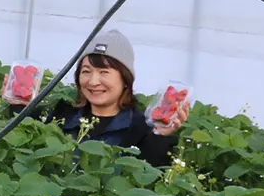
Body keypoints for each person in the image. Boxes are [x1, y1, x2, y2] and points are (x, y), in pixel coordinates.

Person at [10, 29, 188, 166]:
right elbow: (25, 147)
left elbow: (148, 175)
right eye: (86, 72)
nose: (93, 81)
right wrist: (18, 106)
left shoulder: (141, 128)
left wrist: (160, 135)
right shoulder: (61, 115)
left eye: (104, 72)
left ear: (125, 79)